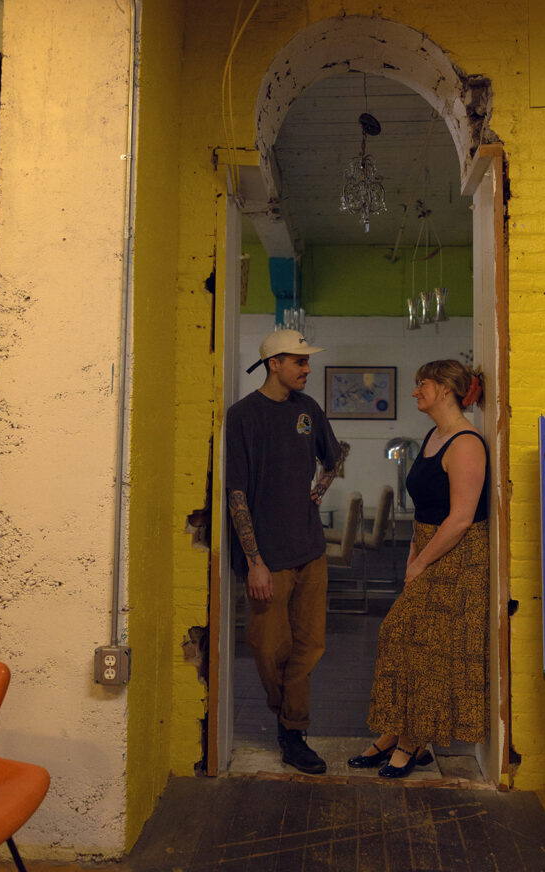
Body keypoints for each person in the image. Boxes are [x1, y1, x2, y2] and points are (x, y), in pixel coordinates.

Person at [348, 359, 488, 778]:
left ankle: (413, 741)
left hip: (458, 554)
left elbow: (461, 518)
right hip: (429, 546)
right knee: (401, 638)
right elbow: (427, 509)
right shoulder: (433, 436)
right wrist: (414, 552)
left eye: (421, 384)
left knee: (428, 649)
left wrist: (422, 561)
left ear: (445, 389)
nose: (415, 392)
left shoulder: (466, 443)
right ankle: (397, 733)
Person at [226, 328, 341, 775]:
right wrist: (255, 561)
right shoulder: (243, 416)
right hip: (268, 557)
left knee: (310, 645)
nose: (307, 369)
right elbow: (236, 493)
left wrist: (319, 490)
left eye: (307, 362)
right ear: (275, 364)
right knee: (270, 647)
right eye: (299, 362)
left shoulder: (308, 411)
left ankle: (293, 733)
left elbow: (332, 458)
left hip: (310, 549)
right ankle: (284, 712)